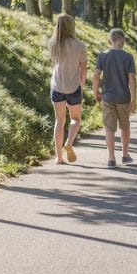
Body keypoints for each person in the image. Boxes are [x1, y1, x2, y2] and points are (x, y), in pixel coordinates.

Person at [92, 28, 137, 168]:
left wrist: (95, 93)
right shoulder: (128, 57)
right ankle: (125, 155)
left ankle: (111, 158)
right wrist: (134, 99)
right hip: (123, 98)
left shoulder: (102, 56)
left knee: (109, 129)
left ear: (109, 41)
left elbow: (95, 77)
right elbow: (132, 79)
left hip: (107, 98)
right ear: (123, 41)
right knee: (125, 127)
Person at [48, 13, 88, 165]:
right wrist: (82, 85)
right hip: (74, 87)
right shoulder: (80, 45)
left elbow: (54, 65)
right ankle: (69, 142)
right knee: (75, 119)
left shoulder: (53, 43)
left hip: (57, 86)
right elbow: (83, 69)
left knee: (59, 121)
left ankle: (58, 158)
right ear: (72, 26)